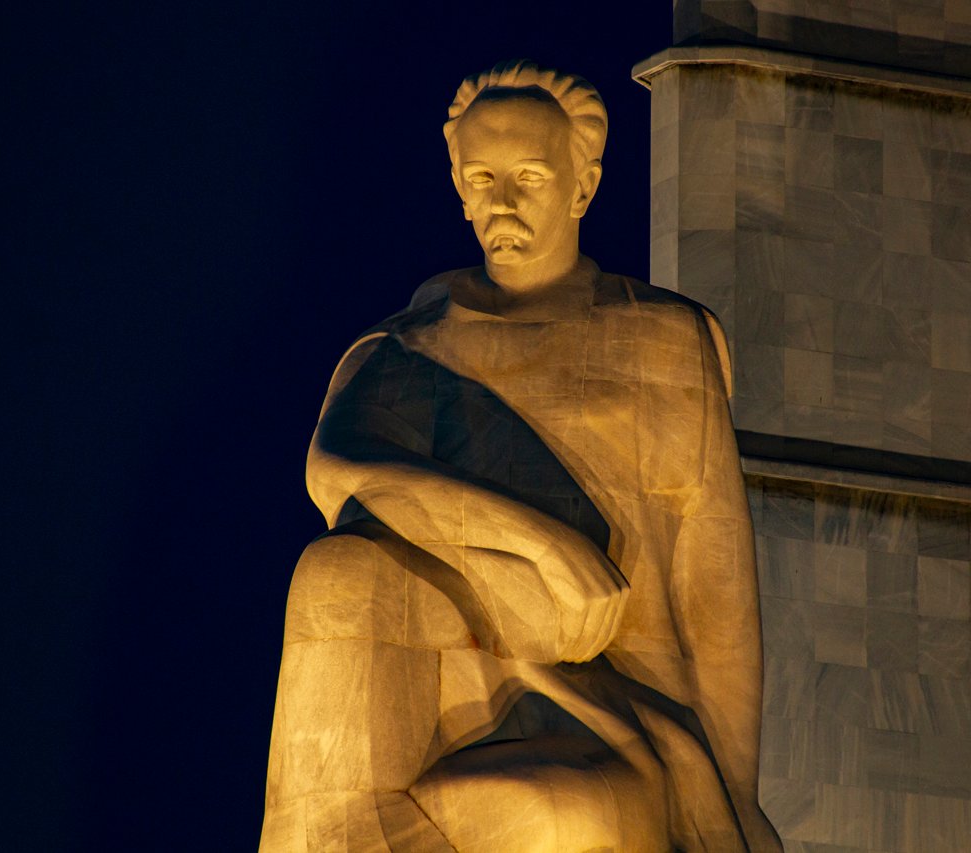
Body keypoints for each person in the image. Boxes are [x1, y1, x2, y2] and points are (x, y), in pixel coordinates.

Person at [260, 60, 782, 852]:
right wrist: (537, 540)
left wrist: (733, 806)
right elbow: (336, 465)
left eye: (530, 176)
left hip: (613, 701)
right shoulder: (411, 345)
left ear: (582, 183)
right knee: (335, 573)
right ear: (459, 185)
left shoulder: (667, 339)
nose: (501, 202)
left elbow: (717, 600)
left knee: (566, 817)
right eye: (482, 177)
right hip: (439, 685)